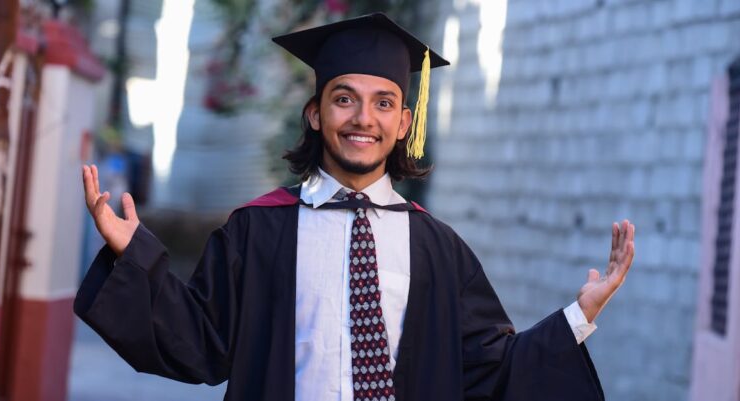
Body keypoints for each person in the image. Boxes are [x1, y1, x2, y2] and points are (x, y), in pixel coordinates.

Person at [75, 13, 635, 401]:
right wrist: (134, 252)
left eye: (383, 103)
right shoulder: (259, 231)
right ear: (316, 113)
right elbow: (198, 341)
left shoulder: (438, 249)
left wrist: (579, 316)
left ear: (403, 124)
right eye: (344, 99)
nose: (363, 118)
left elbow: (493, 371)